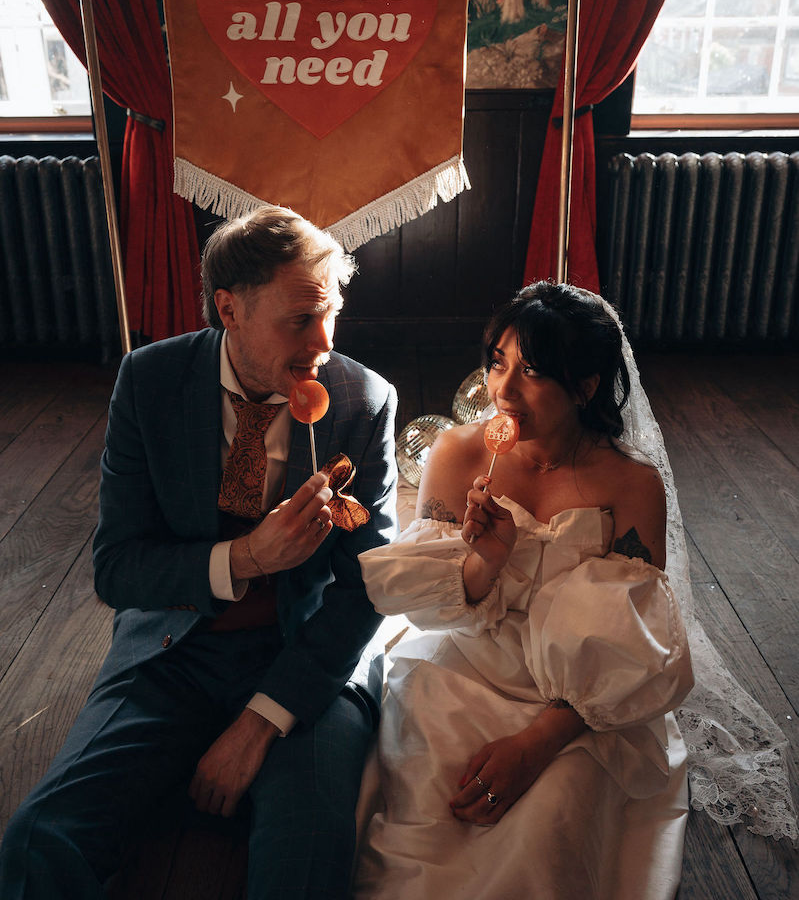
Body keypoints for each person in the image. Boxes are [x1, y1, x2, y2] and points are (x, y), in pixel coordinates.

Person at [0, 204, 398, 900]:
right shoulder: (150, 381)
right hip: (172, 648)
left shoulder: (360, 399)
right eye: (299, 319)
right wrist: (245, 559)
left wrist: (260, 721)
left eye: (330, 311)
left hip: (305, 657)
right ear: (229, 309)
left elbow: (366, 586)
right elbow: (118, 569)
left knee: (305, 858)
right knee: (40, 839)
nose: (323, 342)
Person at [353, 282, 695, 900]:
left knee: (548, 827)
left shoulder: (631, 486)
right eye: (497, 363)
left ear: (586, 386)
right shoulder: (457, 454)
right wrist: (485, 562)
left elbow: (631, 639)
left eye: (532, 371)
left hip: (575, 704)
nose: (503, 391)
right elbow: (432, 607)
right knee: (428, 804)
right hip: (459, 662)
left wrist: (537, 743)